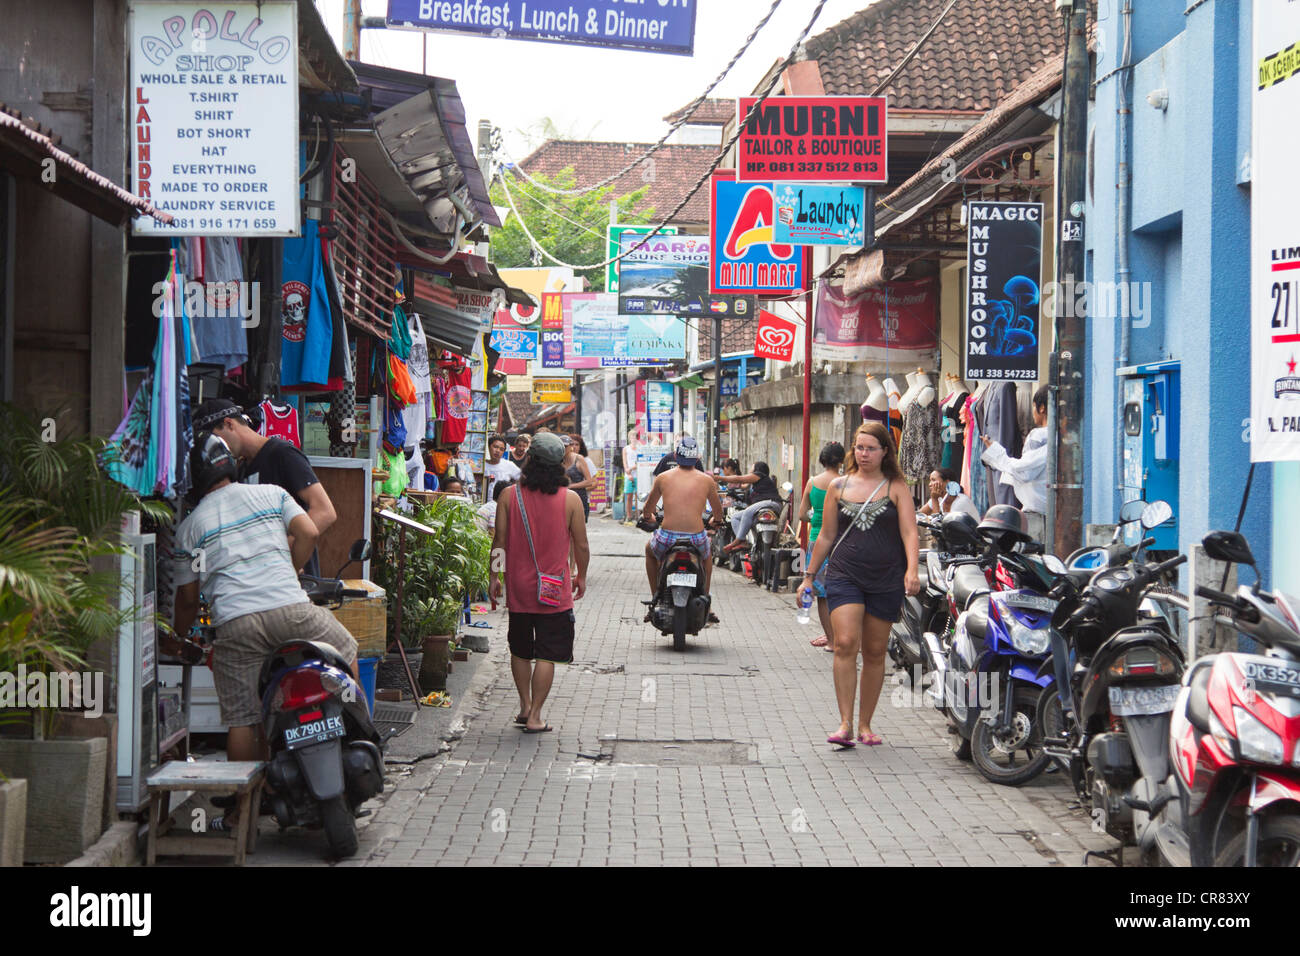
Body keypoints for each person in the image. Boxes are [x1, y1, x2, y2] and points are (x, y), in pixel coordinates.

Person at [171, 433, 358, 830]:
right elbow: (309, 532)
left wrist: (180, 634)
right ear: (230, 466)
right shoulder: (271, 494)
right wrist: (291, 569)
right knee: (345, 650)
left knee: (241, 718)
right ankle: (357, 739)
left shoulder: (189, 528)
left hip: (236, 625)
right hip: (291, 610)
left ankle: (245, 812)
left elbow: (187, 599)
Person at [799, 422, 920, 748]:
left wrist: (912, 570)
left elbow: (910, 532)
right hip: (844, 575)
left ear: (884, 452)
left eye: (871, 448)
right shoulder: (838, 486)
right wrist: (808, 576)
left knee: (875, 651)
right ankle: (844, 723)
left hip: (885, 578)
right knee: (846, 642)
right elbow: (825, 535)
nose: (863, 453)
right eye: (859, 447)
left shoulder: (896, 486)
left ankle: (866, 724)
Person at [490, 433, 588, 734]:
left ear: (529, 460)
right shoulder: (570, 500)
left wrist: (494, 576)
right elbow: (581, 546)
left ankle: (523, 706)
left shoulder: (509, 495)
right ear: (561, 464)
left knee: (520, 648)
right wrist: (580, 576)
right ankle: (535, 715)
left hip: (519, 587)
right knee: (547, 653)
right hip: (554, 588)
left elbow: (499, 542)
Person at [194, 399, 337, 576]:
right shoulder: (242, 467)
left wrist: (286, 554)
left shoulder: (282, 454)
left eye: (216, 441)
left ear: (229, 424)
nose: (215, 449)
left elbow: (325, 511)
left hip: (293, 584)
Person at [639, 437, 723, 612]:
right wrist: (717, 522)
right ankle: (705, 599)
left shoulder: (662, 478)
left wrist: (649, 517)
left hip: (667, 537)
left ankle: (655, 595)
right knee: (707, 556)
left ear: (676, 455)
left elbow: (648, 509)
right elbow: (718, 512)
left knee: (649, 550)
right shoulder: (707, 481)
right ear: (697, 458)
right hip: (696, 538)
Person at [981, 385, 1049, 542]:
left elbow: (1024, 471)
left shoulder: (1038, 437)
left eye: (1033, 407)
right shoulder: (1063, 436)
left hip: (1037, 514)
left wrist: (997, 454)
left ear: (1042, 408)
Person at [797, 442, 845, 650]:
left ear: (822, 460)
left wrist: (816, 517)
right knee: (843, 591)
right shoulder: (846, 483)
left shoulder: (812, 482)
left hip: (817, 539)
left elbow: (801, 514)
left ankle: (832, 640)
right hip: (841, 540)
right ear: (842, 460)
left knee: (823, 596)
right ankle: (845, 638)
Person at [719, 461, 782, 553]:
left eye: (752, 468)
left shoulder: (760, 475)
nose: (750, 470)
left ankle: (738, 539)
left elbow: (739, 479)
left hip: (771, 503)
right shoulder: (756, 485)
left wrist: (718, 477)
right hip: (761, 507)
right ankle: (743, 542)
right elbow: (744, 487)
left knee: (748, 512)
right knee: (735, 517)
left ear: (757, 470)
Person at [561, 435, 595, 520]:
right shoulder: (557, 459)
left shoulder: (579, 458)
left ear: (570, 446)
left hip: (579, 499)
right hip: (563, 500)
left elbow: (590, 482)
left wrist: (570, 486)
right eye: (561, 446)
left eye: (566, 446)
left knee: (577, 530)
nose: (563, 448)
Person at [483, 435, 521, 502]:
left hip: (501, 504)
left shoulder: (508, 465)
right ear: (488, 447)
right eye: (495, 447)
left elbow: (522, 479)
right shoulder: (481, 465)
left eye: (501, 449)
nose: (498, 451)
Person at [622, 429, 642, 525]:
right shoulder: (626, 449)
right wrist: (628, 472)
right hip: (629, 475)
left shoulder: (640, 448)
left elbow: (642, 461)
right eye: (631, 436)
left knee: (638, 496)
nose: (633, 439)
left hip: (638, 474)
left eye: (635, 436)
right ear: (629, 438)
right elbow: (625, 461)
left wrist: (632, 468)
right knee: (629, 495)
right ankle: (629, 515)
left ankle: (638, 515)